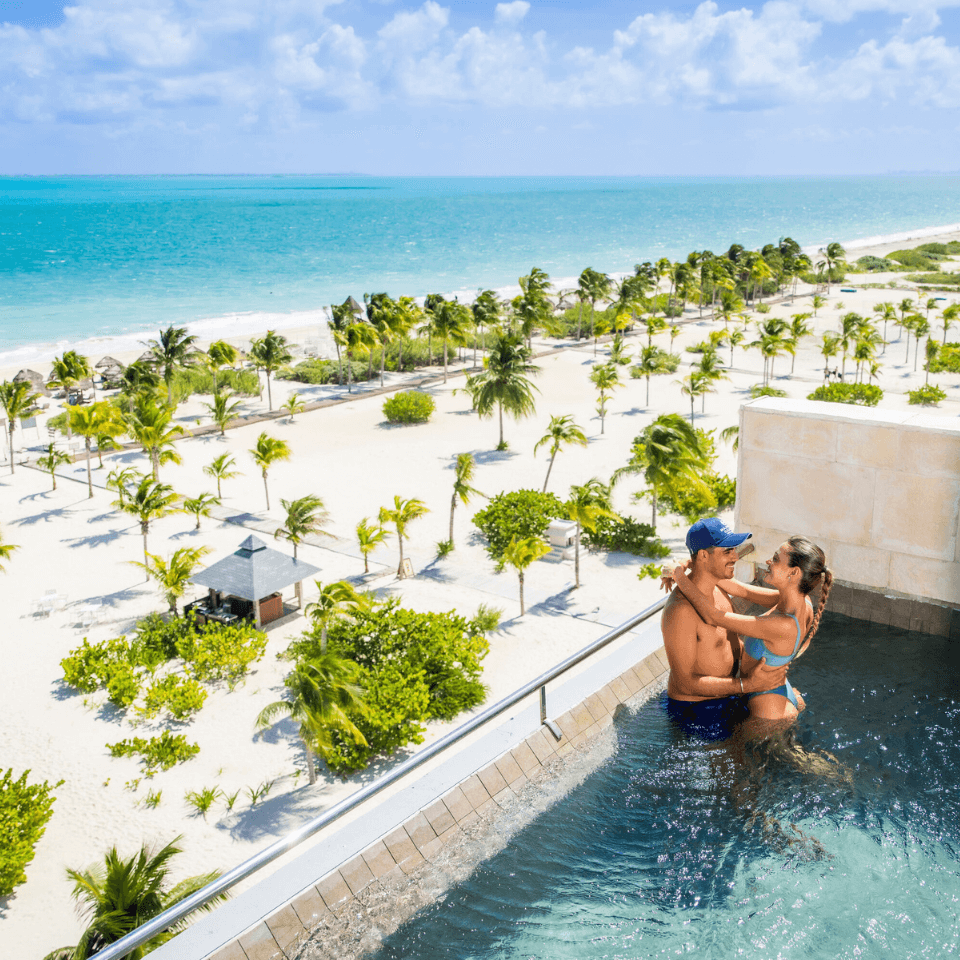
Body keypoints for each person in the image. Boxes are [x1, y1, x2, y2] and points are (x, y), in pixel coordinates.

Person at [670, 534, 833, 723]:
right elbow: (741, 590)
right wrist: (691, 562)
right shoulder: (801, 603)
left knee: (732, 753)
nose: (768, 562)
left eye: (775, 559)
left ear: (794, 572)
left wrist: (679, 578)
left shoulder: (783, 625)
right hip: (777, 692)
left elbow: (712, 616)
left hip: (767, 707)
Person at [660, 518, 788, 741]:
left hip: (730, 692)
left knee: (782, 725)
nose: (736, 557)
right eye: (728, 551)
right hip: (698, 710)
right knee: (741, 767)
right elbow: (685, 682)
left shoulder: (719, 584)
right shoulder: (681, 611)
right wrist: (747, 685)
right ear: (703, 556)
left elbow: (778, 600)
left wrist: (799, 594)